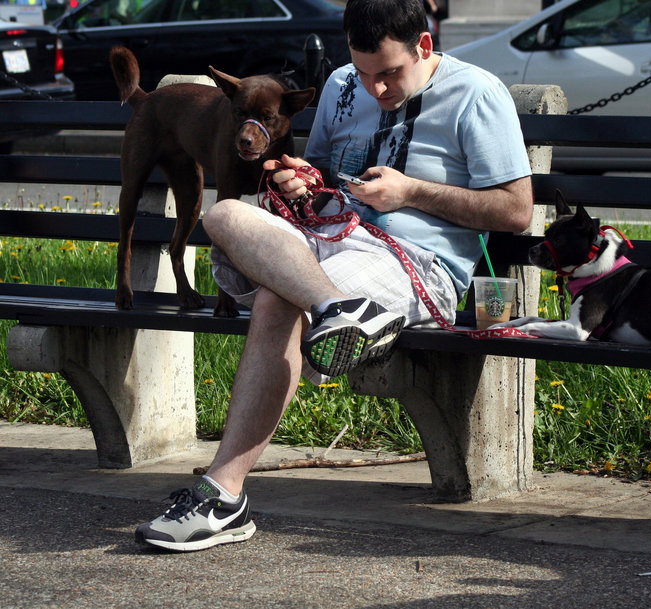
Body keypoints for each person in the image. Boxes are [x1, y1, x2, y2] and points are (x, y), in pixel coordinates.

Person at [134, 0, 534, 552]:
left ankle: (223, 495)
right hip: (324, 243)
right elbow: (316, 175)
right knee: (223, 214)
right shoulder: (344, 83)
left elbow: (516, 210)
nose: (375, 89)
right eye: (365, 73)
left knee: (278, 301)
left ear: (423, 46)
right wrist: (299, 182)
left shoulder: (477, 93)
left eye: (390, 74)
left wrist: (410, 191)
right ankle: (337, 309)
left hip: (414, 259)